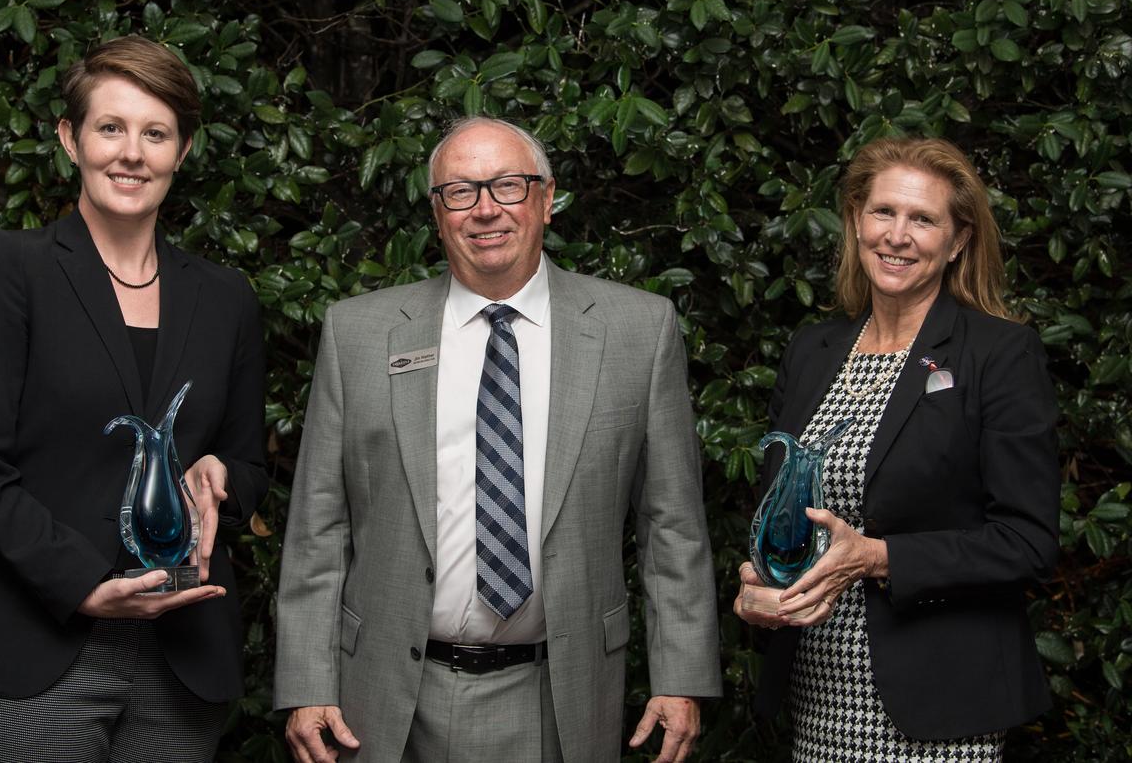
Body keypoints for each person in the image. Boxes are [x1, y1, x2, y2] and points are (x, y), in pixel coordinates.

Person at [275, 116, 720, 763]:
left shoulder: (637, 331)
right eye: (460, 192)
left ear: (545, 197)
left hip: (559, 691)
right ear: (437, 213)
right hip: (390, 696)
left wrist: (680, 677)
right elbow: (319, 525)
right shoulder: (360, 334)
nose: (486, 210)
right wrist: (306, 682)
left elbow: (672, 524)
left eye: (508, 186)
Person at [0, 35, 267, 761]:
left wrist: (221, 473)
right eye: (111, 128)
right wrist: (85, 584)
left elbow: (248, 460)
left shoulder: (226, 299)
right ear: (70, 138)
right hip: (38, 646)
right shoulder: (14, 268)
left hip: (179, 658)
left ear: (182, 151)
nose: (132, 153)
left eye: (155, 133)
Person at [733, 136, 1059, 760]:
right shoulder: (812, 351)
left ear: (957, 240)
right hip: (819, 693)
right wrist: (756, 584)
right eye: (883, 212)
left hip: (938, 705)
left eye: (923, 219)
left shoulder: (998, 354)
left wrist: (878, 557)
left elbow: (1029, 543)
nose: (897, 235)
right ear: (856, 218)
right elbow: (777, 512)